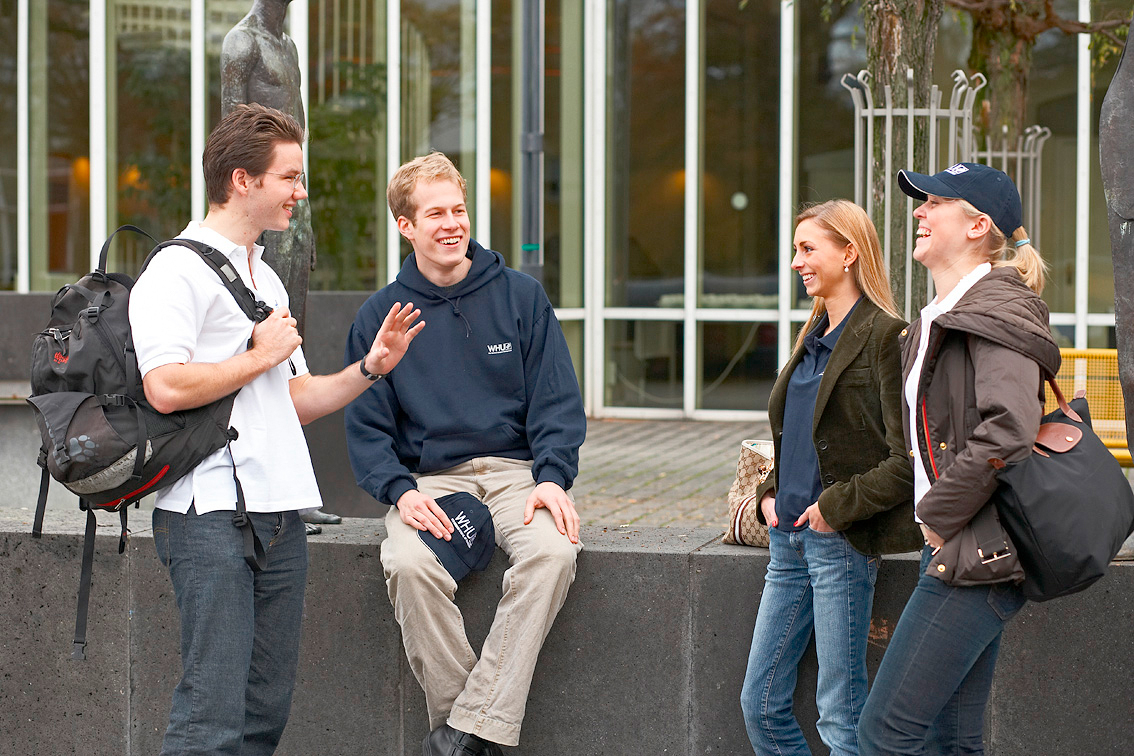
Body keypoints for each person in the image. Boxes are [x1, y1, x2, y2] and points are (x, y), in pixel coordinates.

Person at [129, 103, 424, 756]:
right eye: (290, 176)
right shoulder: (175, 272)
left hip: (279, 512)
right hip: (207, 514)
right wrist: (259, 353)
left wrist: (371, 369)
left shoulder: (263, 274)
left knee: (264, 713)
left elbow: (291, 398)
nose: (301, 190)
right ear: (243, 180)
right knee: (211, 718)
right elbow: (166, 385)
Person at [344, 152, 586, 756]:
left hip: (516, 476)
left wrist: (553, 478)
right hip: (430, 482)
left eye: (458, 210)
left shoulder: (521, 297)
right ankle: (475, 730)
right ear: (406, 226)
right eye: (434, 214)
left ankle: (463, 733)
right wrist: (399, 492)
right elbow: (368, 426)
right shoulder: (380, 315)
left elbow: (558, 403)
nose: (451, 224)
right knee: (407, 564)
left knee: (554, 553)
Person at [857, 163, 1061, 756]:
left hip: (974, 544)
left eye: (934, 202)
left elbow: (1009, 430)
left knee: (882, 736)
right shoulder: (943, 315)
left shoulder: (996, 311)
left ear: (977, 225)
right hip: (960, 541)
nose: (917, 212)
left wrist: (936, 515)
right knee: (951, 740)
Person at [740, 199, 920, 756]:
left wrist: (834, 508)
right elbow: (796, 438)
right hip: (785, 540)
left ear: (849, 253)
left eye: (807, 248)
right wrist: (769, 493)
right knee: (760, 705)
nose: (796, 261)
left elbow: (909, 460)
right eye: (796, 249)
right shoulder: (810, 338)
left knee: (840, 715)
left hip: (839, 541)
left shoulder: (886, 336)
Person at [222, 0, 341, 533]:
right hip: (256, 212)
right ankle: (261, 489)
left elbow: (296, 139)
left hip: (291, 206)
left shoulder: (289, 45)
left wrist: (302, 210)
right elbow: (231, 146)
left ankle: (294, 487)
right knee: (257, 348)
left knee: (295, 351)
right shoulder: (240, 43)